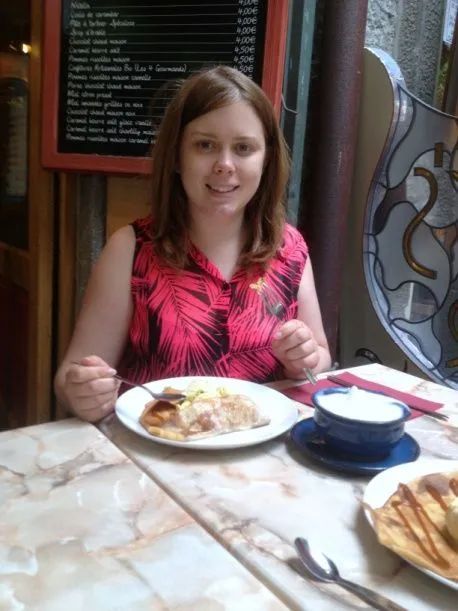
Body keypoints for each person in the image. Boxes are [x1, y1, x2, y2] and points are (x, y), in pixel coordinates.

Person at [54, 66, 331, 422]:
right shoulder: (131, 249)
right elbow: (69, 379)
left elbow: (321, 357)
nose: (224, 164)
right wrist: (81, 391)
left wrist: (305, 359)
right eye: (205, 145)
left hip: (261, 462)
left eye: (244, 148)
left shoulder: (289, 249)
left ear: (267, 160)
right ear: (177, 157)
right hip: (156, 457)